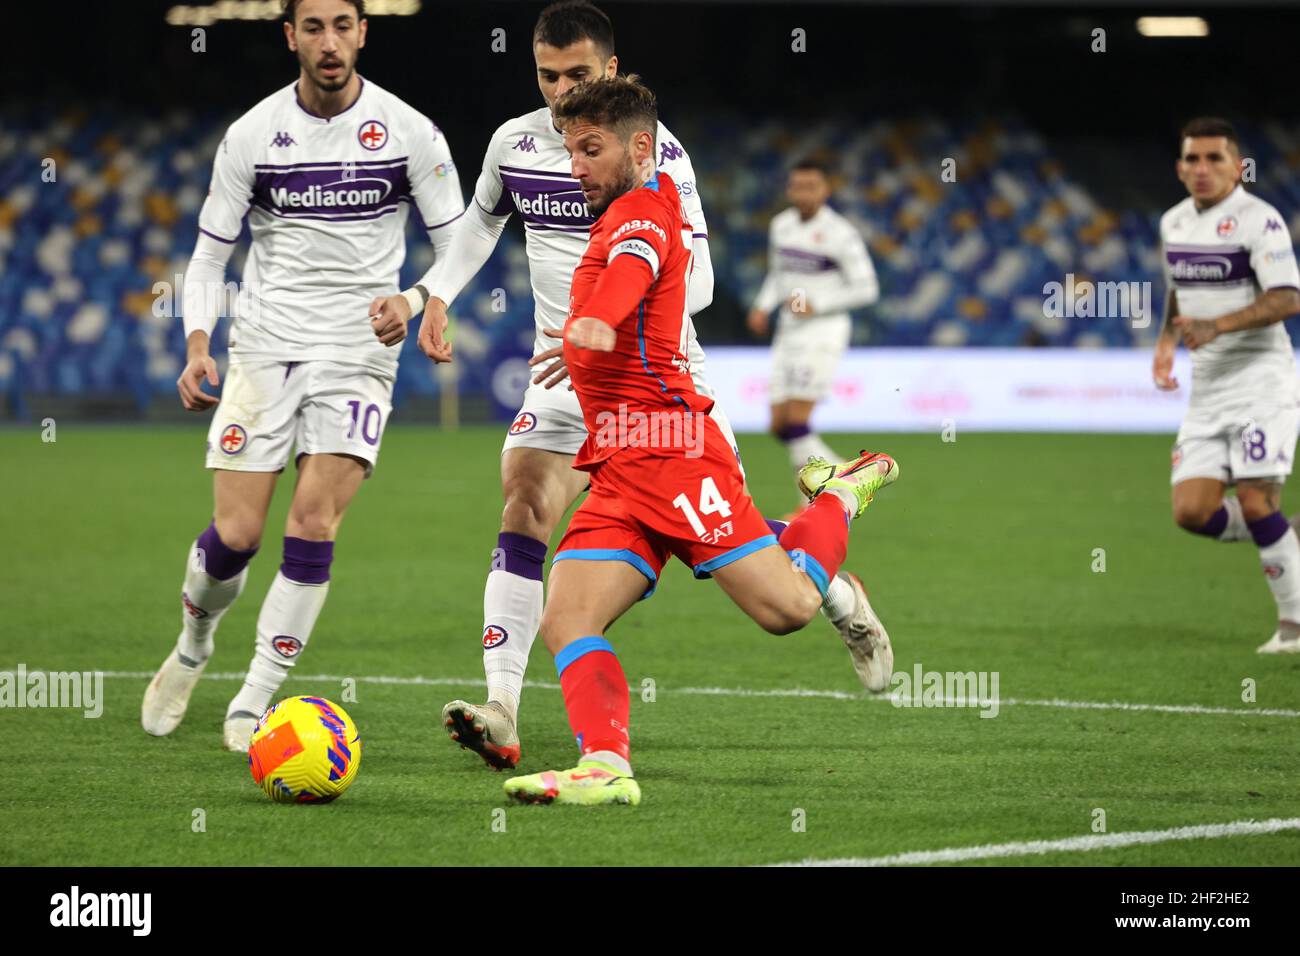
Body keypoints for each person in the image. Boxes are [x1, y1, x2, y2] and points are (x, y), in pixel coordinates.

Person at [416, 1, 895, 771]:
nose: (559, 90)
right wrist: (433, 294)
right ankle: (506, 709)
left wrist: (608, 316)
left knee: (750, 574)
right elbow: (478, 224)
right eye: (546, 75)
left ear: (611, 72)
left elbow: (694, 278)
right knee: (525, 508)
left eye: (577, 76)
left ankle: (834, 574)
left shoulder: (656, 161)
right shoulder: (516, 143)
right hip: (564, 370)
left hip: (656, 387)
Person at [141, 0, 465, 749]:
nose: (329, 42)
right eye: (312, 27)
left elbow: (460, 240)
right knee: (237, 534)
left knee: (314, 524)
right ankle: (193, 646)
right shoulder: (252, 136)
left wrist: (418, 300)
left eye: (342, 26)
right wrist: (197, 344)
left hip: (359, 351)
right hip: (264, 345)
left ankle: (256, 697)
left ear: (362, 33)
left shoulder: (410, 131)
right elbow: (208, 256)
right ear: (290, 37)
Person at [1154, 117, 1300, 654]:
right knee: (1191, 512)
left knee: (1258, 502)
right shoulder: (1173, 223)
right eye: (1192, 159)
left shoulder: (1259, 223)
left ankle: (1294, 627)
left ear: (1238, 166)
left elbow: (1287, 297)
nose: (1202, 169)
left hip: (1262, 380)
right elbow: (1178, 293)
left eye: (1215, 158)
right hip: (1208, 387)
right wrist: (1166, 343)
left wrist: (1218, 326)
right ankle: (1288, 534)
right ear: (1179, 167)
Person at [747, 157, 879, 487]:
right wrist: (763, 306)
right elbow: (779, 274)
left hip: (823, 331)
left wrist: (817, 305)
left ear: (826, 190)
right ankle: (845, 474)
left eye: (811, 186)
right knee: (779, 424)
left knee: (796, 418)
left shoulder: (841, 234)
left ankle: (812, 498)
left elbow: (867, 288)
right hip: (788, 332)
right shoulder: (781, 225)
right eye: (796, 186)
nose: (803, 193)